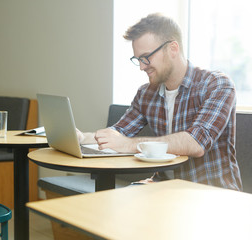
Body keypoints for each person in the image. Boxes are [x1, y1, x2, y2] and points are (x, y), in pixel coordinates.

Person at [78, 13, 242, 190]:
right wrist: (80, 138)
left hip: (210, 194)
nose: (141, 66)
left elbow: (196, 144)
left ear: (172, 49)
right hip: (163, 188)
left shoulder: (217, 84)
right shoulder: (146, 93)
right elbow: (117, 133)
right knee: (110, 203)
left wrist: (126, 144)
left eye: (146, 57)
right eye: (138, 59)